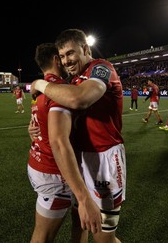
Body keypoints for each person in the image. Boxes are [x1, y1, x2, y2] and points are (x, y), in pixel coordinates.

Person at [31, 28, 126, 243]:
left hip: (106, 165)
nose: (66, 61)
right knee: (80, 222)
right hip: (80, 160)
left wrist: (39, 84)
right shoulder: (74, 80)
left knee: (104, 237)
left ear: (85, 49)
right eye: (62, 56)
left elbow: (80, 99)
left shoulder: (102, 69)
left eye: (71, 54)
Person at [28, 43, 101, 242]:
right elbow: (58, 142)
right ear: (55, 60)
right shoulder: (58, 91)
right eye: (61, 56)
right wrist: (84, 197)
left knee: (80, 224)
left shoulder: (40, 91)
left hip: (40, 160)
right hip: (53, 171)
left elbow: (38, 123)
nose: (66, 61)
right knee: (43, 236)